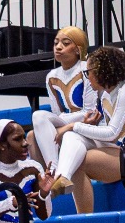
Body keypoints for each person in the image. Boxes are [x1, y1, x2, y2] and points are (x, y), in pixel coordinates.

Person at [51, 45, 125, 213]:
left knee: (80, 160)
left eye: (87, 71)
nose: (86, 77)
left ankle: (85, 219)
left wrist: (74, 125)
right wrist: (77, 129)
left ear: (101, 70)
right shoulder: (105, 95)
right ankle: (63, 177)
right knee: (73, 140)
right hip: (124, 148)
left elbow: (113, 133)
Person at [29, 26, 92, 170]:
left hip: (88, 121)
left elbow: (90, 111)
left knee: (40, 118)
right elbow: (56, 113)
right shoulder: (52, 76)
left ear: (78, 49)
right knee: (37, 119)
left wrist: (64, 121)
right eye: (56, 42)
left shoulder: (86, 68)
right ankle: (52, 170)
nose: (58, 47)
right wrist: (62, 120)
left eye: (65, 43)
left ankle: (55, 170)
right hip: (66, 120)